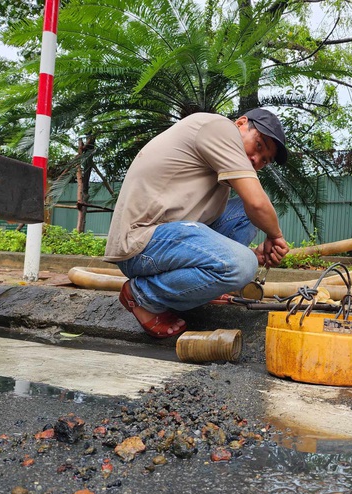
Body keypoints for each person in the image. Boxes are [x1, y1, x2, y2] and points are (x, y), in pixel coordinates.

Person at [104, 108, 290, 338]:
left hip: (170, 238)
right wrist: (276, 237)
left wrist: (254, 251)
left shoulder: (220, 168)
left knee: (246, 213)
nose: (256, 160)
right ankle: (141, 295)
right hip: (141, 243)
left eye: (264, 160)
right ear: (241, 123)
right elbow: (258, 204)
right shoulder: (219, 128)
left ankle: (204, 287)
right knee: (243, 264)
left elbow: (254, 208)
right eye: (259, 146)